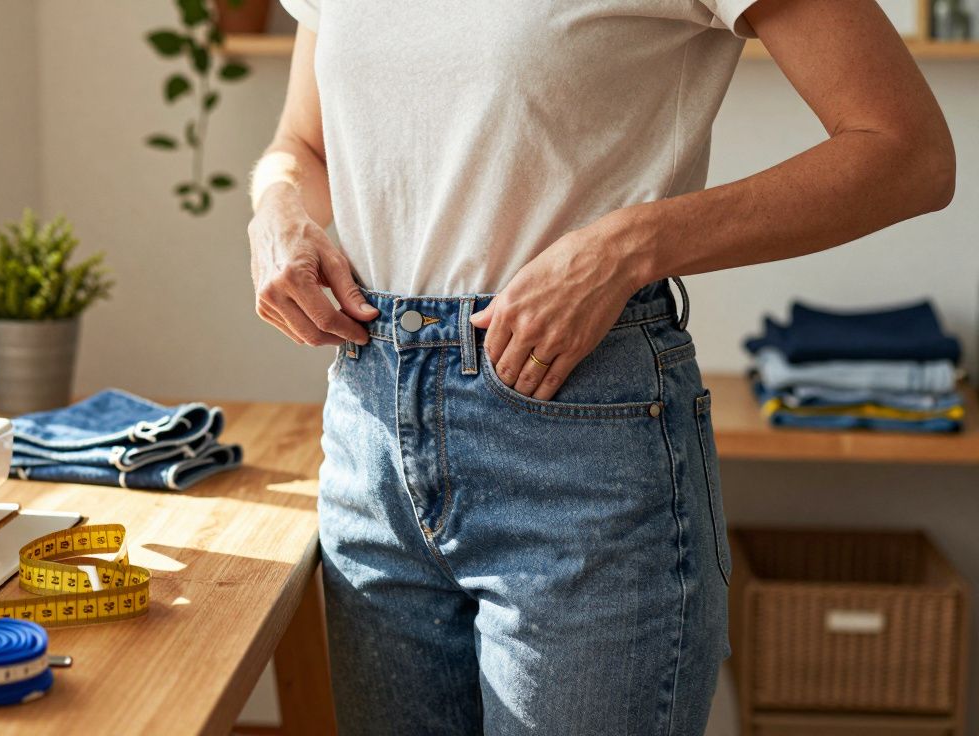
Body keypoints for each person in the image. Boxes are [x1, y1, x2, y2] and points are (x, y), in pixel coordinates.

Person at [245, 0, 955, 733]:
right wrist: (276, 210)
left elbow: (906, 152)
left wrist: (630, 246)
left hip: (580, 448)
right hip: (370, 444)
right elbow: (305, 145)